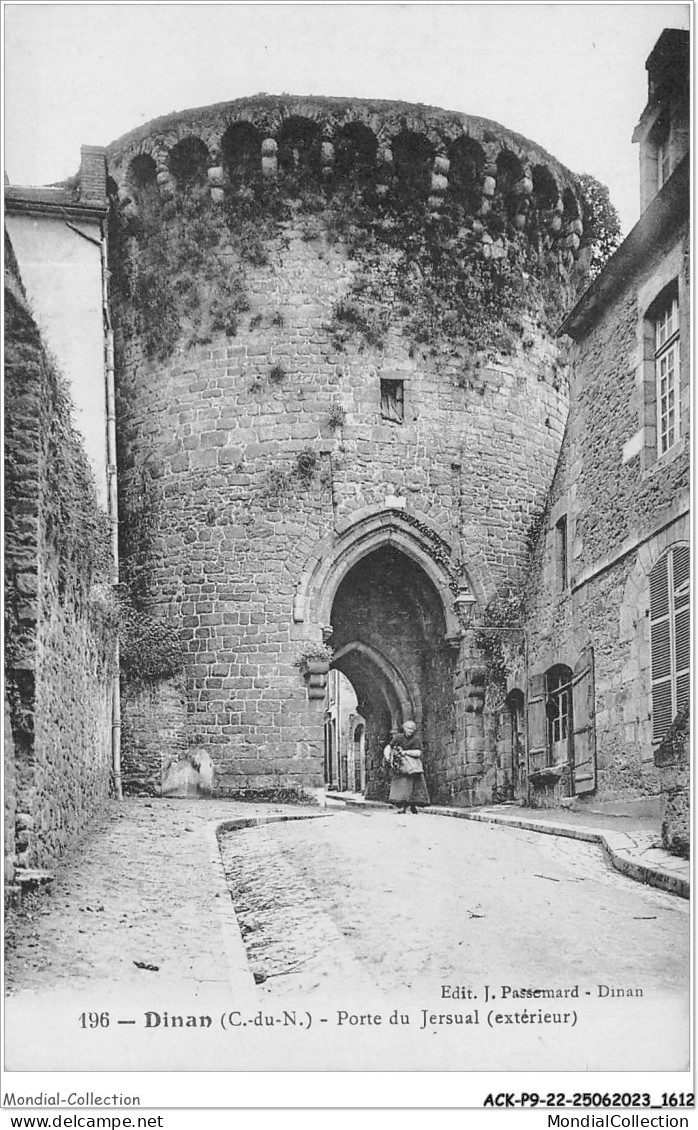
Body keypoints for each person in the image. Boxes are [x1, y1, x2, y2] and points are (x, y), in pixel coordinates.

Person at [383, 720, 430, 814]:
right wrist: (388, 757)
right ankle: (402, 807)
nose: (410, 731)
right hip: (401, 765)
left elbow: (418, 752)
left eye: (412, 729)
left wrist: (405, 752)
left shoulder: (416, 739)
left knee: (414, 786)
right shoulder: (398, 737)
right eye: (408, 728)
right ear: (404, 728)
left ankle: (413, 806)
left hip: (413, 765)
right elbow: (389, 746)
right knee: (402, 786)